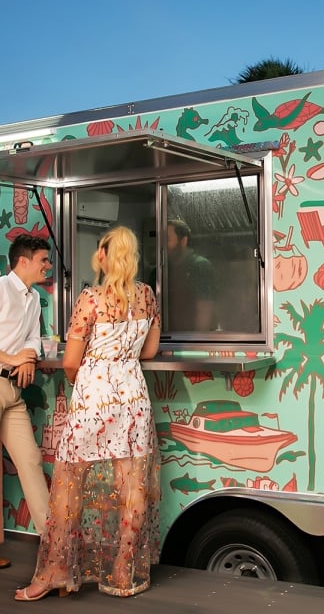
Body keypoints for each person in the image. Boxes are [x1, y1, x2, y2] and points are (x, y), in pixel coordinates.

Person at [15, 226, 161, 601]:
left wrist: (96, 369)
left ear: (103, 256)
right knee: (132, 489)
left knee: (70, 487)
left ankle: (55, 573)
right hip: (133, 399)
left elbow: (70, 362)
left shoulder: (90, 299)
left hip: (94, 400)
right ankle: (122, 572)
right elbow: (149, 352)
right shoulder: (147, 296)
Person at [0, 234, 52, 570]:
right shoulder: (1, 289)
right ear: (24, 261)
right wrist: (14, 357)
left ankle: (55, 550)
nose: (47, 266)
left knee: (31, 460)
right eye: (43, 260)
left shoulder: (34, 298)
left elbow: (34, 340)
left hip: (12, 391)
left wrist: (28, 358)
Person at [161, 218, 216, 332]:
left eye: (168, 240)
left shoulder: (200, 266)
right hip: (167, 338)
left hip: (190, 339)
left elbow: (205, 308)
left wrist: (198, 343)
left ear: (183, 241)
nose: (163, 245)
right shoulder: (159, 271)